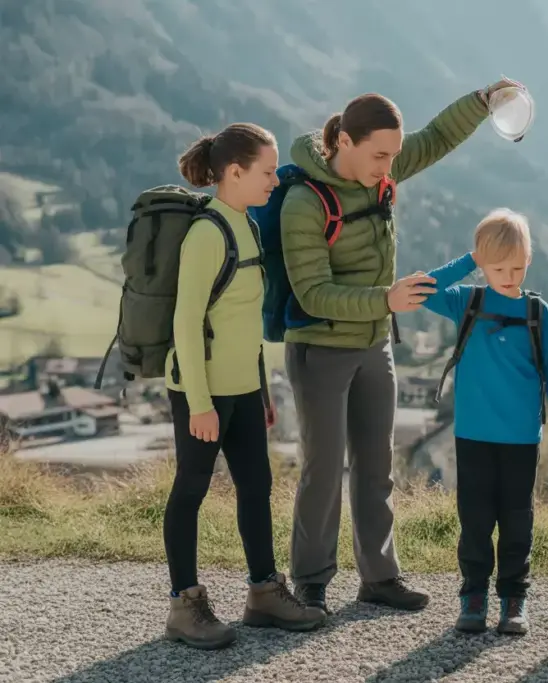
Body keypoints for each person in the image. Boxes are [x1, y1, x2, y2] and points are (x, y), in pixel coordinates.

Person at [281, 79, 523, 613]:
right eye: (379, 156)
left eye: (394, 155)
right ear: (343, 142)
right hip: (320, 349)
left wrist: (481, 101)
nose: (389, 167)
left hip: (373, 346)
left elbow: (435, 138)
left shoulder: (380, 172)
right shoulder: (304, 202)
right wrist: (386, 300)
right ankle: (312, 581)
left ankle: (379, 578)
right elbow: (312, 293)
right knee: (323, 468)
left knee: (376, 465)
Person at [164, 124, 327, 650]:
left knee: (256, 487)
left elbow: (243, 324)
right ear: (234, 173)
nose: (275, 180)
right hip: (203, 393)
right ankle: (184, 606)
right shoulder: (207, 233)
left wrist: (258, 392)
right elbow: (186, 324)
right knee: (190, 490)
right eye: (265, 171)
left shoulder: (247, 226)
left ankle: (263, 593)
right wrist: (199, 402)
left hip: (240, 390)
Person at [418, 208, 548, 635]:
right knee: (474, 519)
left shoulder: (537, 313)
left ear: (529, 260)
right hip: (472, 436)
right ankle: (473, 595)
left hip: (520, 440)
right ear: (482, 265)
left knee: (516, 521)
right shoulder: (467, 302)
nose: (508, 276)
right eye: (496, 267)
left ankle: (514, 599)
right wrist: (470, 261)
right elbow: (424, 288)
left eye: (516, 266)